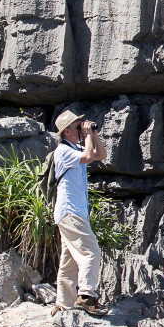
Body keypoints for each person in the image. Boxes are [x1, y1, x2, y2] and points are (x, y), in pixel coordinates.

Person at [52, 109, 108, 315]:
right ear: (67, 131)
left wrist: (92, 135)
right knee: (90, 251)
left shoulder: (73, 149)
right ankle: (86, 295)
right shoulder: (63, 151)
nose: (80, 129)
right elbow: (87, 156)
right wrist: (87, 138)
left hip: (72, 213)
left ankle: (63, 304)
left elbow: (100, 155)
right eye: (77, 127)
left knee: (68, 262)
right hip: (71, 212)